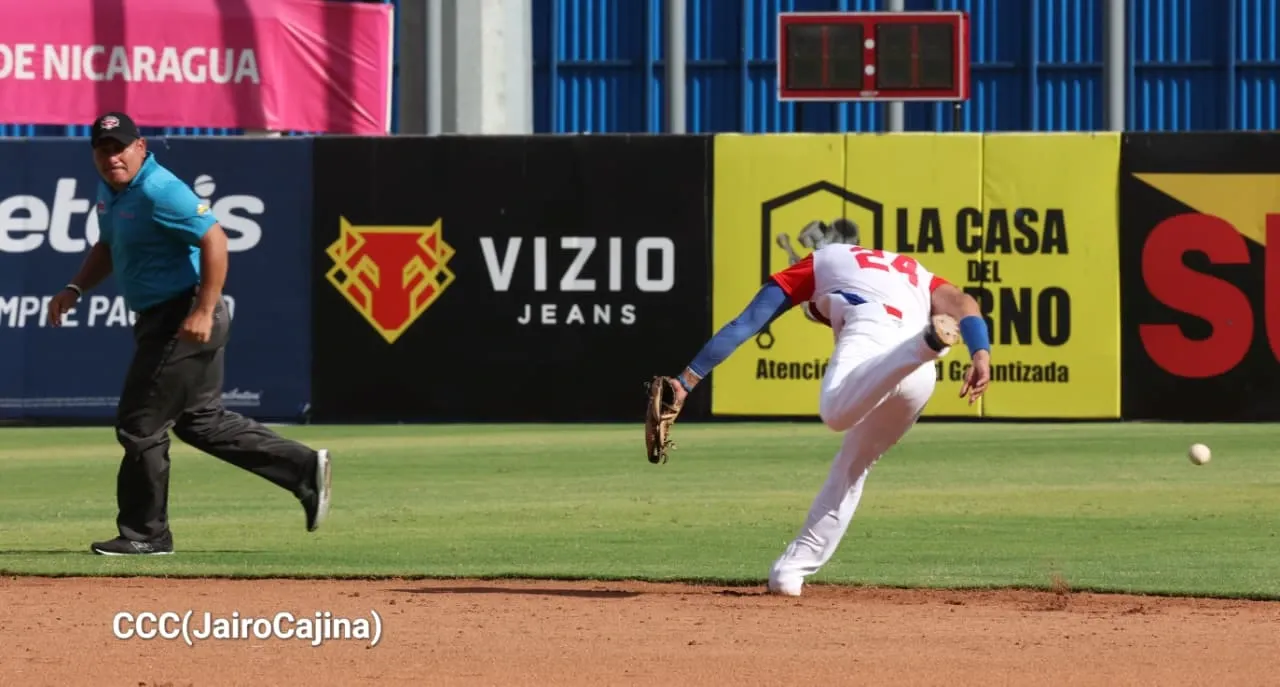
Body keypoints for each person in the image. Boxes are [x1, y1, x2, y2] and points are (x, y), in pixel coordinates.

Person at [46, 111, 332, 556]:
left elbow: (215, 239)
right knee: (201, 423)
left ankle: (146, 534)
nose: (112, 157)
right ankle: (302, 468)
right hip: (165, 316)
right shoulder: (112, 191)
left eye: (120, 147)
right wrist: (75, 286)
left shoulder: (161, 190)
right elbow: (108, 245)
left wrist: (201, 309)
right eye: (103, 149)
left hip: (182, 314)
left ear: (141, 147)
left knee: (140, 424)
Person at [646, 242, 991, 596]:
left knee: (835, 412)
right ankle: (789, 573)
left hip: (878, 335)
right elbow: (964, 304)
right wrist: (981, 352)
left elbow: (746, 323)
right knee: (853, 465)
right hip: (920, 375)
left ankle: (923, 346)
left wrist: (687, 380)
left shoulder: (816, 264)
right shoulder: (913, 271)